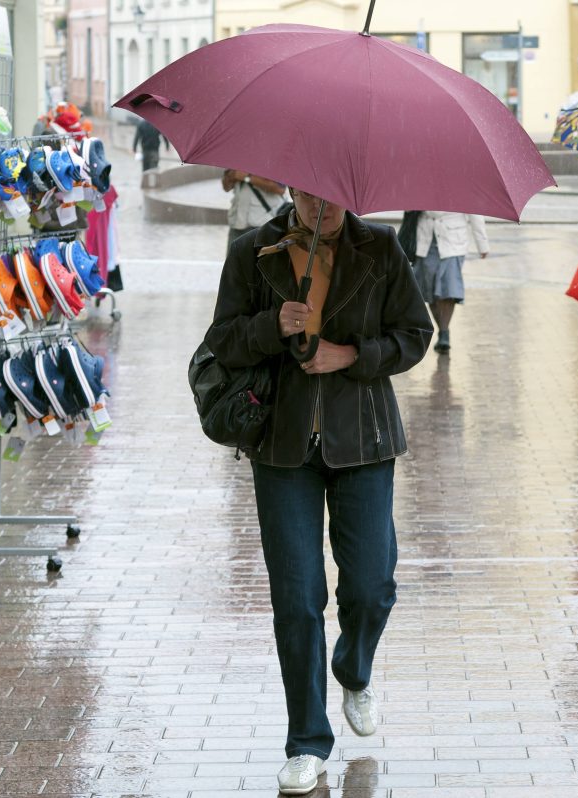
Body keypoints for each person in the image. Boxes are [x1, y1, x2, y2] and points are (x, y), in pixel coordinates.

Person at [205, 188, 433, 795]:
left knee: (371, 582)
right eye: (310, 196)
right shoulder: (254, 252)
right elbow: (222, 341)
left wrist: (352, 355)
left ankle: (354, 668)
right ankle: (306, 741)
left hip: (363, 438)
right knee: (298, 598)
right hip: (281, 445)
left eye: (332, 198)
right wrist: (270, 327)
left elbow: (415, 334)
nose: (322, 206)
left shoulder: (380, 247)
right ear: (291, 189)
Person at [412, 210, 489, 353]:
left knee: (448, 289)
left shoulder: (466, 186)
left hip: (453, 241)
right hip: (425, 238)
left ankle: (444, 332)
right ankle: (442, 330)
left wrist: (482, 243)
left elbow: (475, 212)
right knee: (430, 291)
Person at [222, 169, 288, 249]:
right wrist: (230, 177)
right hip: (237, 224)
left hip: (263, 225)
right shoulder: (237, 159)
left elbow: (280, 189)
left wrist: (247, 177)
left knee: (262, 260)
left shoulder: (273, 160)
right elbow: (226, 188)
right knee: (232, 261)